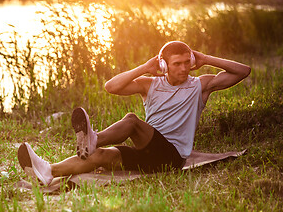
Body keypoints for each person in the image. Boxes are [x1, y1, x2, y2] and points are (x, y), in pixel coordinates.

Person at [17, 41, 251, 185]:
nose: (183, 68)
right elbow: (111, 87)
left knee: (131, 121)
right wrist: (144, 68)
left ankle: (93, 137)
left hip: (172, 157)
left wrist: (206, 59)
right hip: (148, 155)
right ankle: (48, 171)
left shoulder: (201, 85)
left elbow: (243, 71)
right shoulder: (150, 85)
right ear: (163, 65)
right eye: (176, 64)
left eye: (185, 63)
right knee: (99, 156)